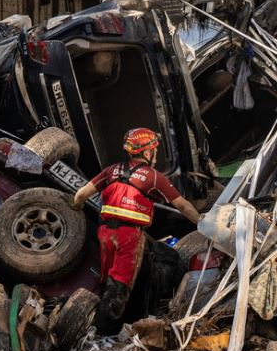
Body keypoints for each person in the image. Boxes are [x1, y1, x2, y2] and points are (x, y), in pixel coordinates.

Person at [73, 127, 200, 333]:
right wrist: (202, 222)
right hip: (128, 236)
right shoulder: (154, 177)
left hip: (105, 232)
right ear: (147, 152)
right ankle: (103, 335)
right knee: (119, 286)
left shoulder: (111, 170)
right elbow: (183, 206)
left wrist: (76, 209)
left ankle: (100, 320)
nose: (156, 156)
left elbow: (80, 196)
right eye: (155, 151)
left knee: (107, 280)